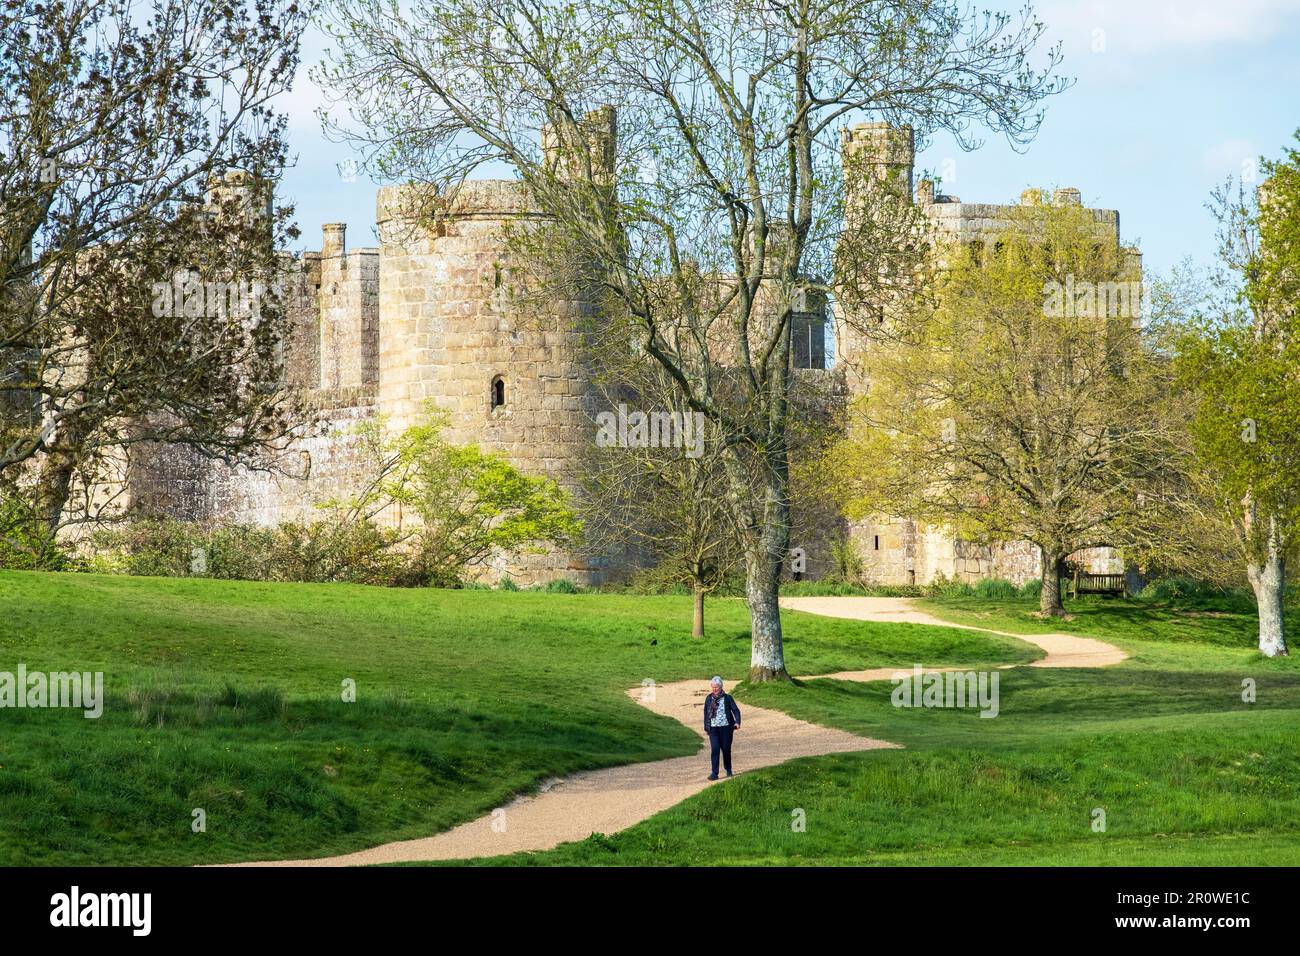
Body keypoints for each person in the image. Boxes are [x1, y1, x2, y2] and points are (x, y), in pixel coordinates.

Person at [702, 675, 741, 780]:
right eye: (713, 687)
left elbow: (735, 710)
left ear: (721, 687)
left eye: (717, 687)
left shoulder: (728, 698)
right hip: (713, 729)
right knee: (715, 750)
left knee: (726, 750)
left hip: (726, 728)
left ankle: (728, 769)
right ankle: (714, 773)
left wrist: (737, 722)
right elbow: (706, 713)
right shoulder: (709, 698)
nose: (715, 689)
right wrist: (706, 727)